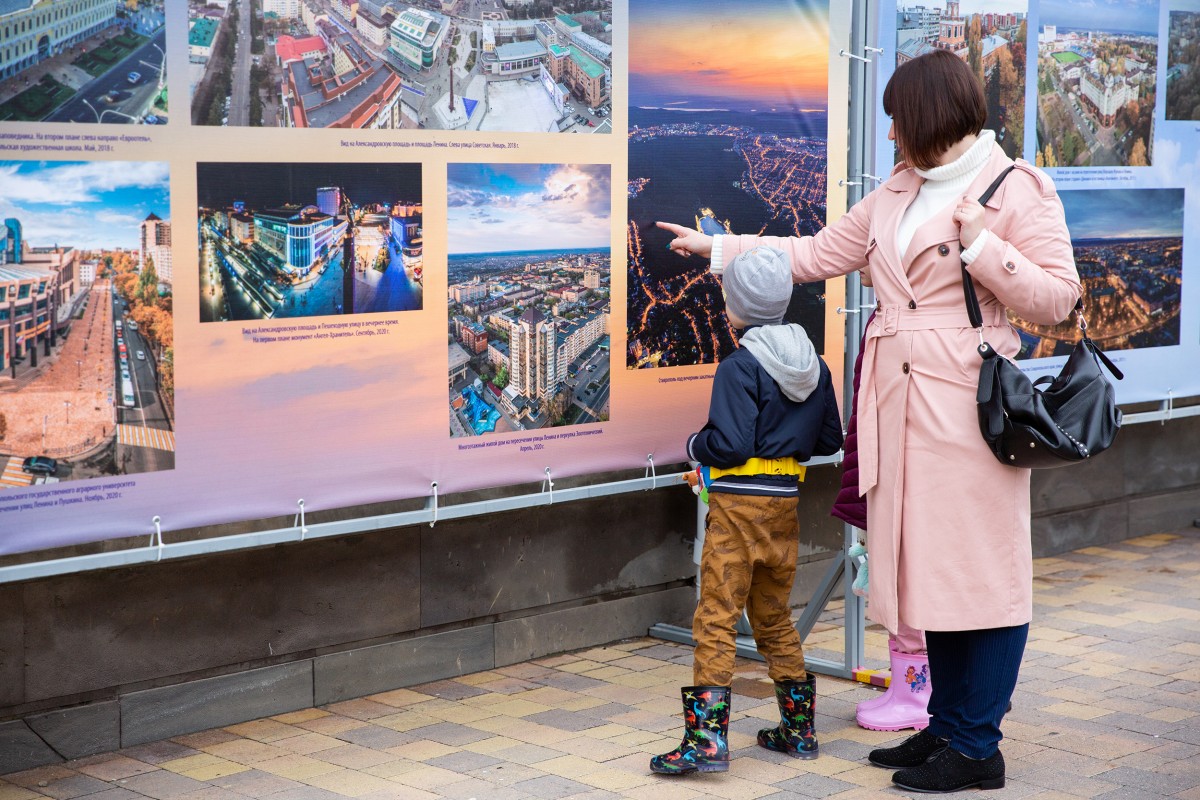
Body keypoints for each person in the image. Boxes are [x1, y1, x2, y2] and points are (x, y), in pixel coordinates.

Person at [657, 49, 1081, 793]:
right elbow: (816, 253)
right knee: (926, 576)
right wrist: (719, 249)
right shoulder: (896, 191)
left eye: (896, 121)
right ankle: (946, 727)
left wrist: (983, 244)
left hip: (968, 407)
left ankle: (978, 746)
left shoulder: (1017, 188)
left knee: (983, 574)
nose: (889, 136)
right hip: (896, 406)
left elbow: (1060, 303)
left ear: (925, 117)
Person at [650, 245, 844, 776]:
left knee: (715, 616)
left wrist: (695, 444)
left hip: (736, 508)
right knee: (774, 616)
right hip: (785, 507)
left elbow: (729, 444)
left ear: (739, 306)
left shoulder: (740, 365)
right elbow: (829, 438)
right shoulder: (813, 363)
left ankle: (707, 742)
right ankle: (799, 730)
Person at [832, 291, 933, 733]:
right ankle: (916, 688)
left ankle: (917, 696)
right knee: (896, 585)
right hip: (891, 467)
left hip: (899, 472)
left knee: (905, 587)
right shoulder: (891, 314)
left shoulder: (904, 321)